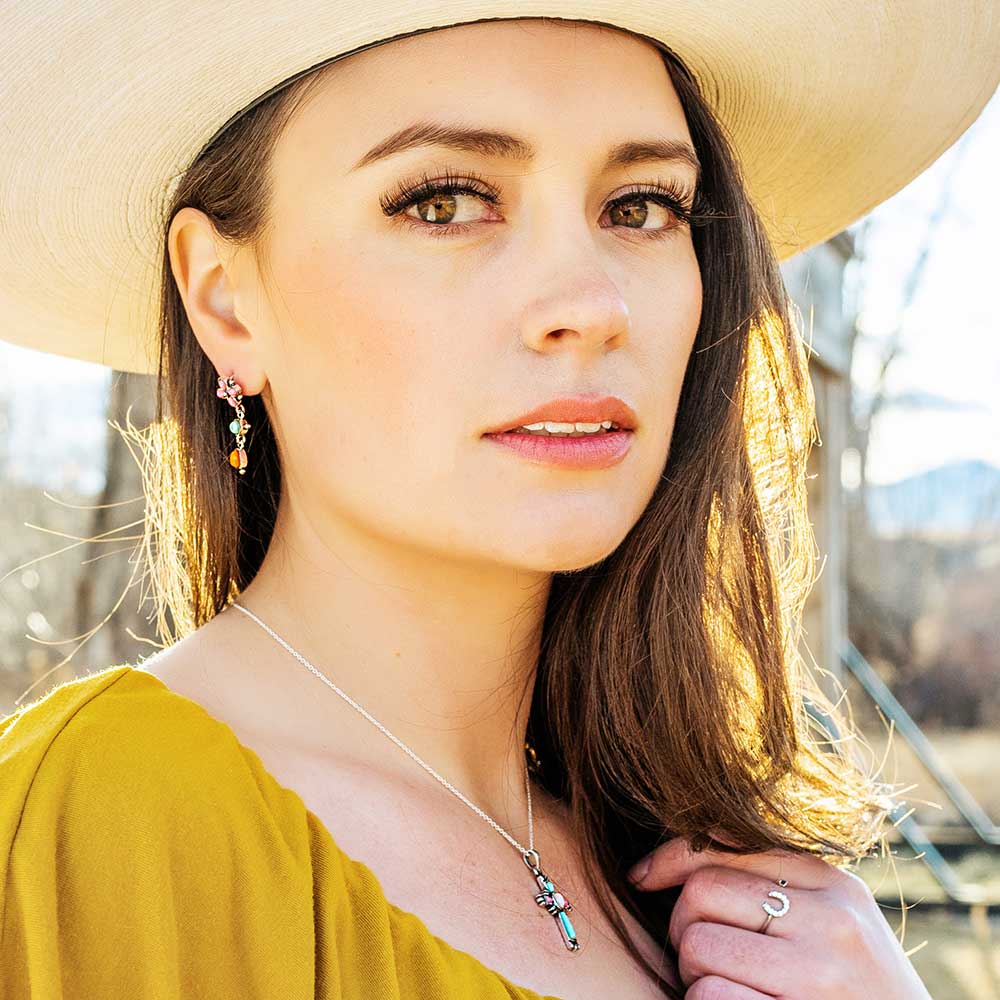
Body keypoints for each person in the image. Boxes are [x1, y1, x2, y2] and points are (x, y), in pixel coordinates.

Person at [1, 5, 996, 998]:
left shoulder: (702, 876)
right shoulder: (89, 820)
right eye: (444, 201)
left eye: (641, 205)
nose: (591, 304)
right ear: (223, 298)